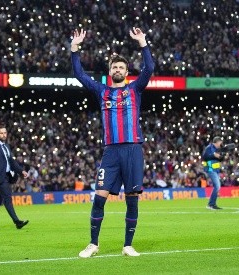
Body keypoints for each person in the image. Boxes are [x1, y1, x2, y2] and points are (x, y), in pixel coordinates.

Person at [71, 27, 154, 257]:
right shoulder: (102, 91)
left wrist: (143, 43)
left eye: (121, 67)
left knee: (132, 201)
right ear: (109, 72)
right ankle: (93, 244)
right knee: (99, 199)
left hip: (133, 150)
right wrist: (75, 49)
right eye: (114, 67)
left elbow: (150, 69)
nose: (117, 69)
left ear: (127, 72)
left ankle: (128, 245)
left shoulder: (135, 89)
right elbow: (80, 75)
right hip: (111, 153)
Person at [0, 125, 30, 230]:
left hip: (6, 176)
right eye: (1, 133)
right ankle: (17, 222)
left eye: (5, 133)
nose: (4, 135)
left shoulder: (6, 146)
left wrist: (21, 171)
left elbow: (11, 162)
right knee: (7, 198)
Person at [202, 136, 224, 210]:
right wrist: (214, 155)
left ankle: (212, 204)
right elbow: (204, 157)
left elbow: (219, 159)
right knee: (217, 186)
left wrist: (221, 156)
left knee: (217, 186)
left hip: (215, 170)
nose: (221, 143)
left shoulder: (217, 149)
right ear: (217, 142)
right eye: (220, 142)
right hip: (211, 169)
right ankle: (211, 204)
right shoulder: (209, 148)